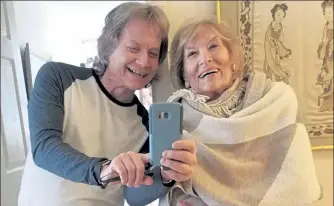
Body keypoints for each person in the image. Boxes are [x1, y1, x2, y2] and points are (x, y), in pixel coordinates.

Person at [18, 2, 197, 206]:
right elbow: (44, 147)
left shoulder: (147, 125)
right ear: (109, 46)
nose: (144, 62)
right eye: (133, 48)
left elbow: (133, 196)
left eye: (153, 53)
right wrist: (103, 169)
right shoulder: (57, 77)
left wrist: (165, 176)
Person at [162, 17, 322, 205]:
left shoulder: (277, 101)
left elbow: (296, 181)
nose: (205, 59)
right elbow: (173, 191)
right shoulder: (175, 121)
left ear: (233, 59)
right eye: (192, 54)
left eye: (213, 46)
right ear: (184, 74)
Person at [263, 3, 292, 84]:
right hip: (271, 52)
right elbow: (269, 43)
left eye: (282, 16)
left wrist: (283, 50)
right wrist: (275, 44)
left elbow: (280, 39)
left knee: (277, 68)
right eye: (278, 15)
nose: (280, 18)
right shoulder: (270, 27)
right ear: (274, 14)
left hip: (276, 53)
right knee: (272, 71)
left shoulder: (280, 25)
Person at [316, 0, 333, 112]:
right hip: (328, 56)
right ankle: (327, 103)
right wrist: (323, 46)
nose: (327, 16)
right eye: (325, 13)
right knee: (326, 79)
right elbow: (323, 41)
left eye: (330, 13)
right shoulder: (326, 26)